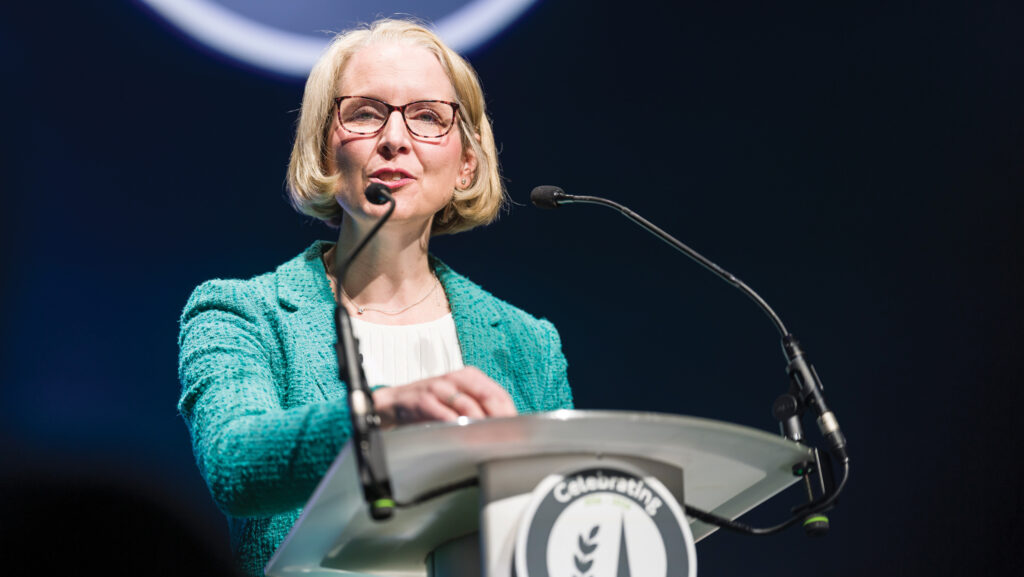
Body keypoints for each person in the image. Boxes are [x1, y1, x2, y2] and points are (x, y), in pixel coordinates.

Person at [177, 18, 574, 576]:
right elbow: (234, 465)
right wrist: (382, 414)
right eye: (365, 113)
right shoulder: (243, 313)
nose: (395, 138)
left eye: (428, 117)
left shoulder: (529, 343)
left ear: (465, 165)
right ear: (323, 150)